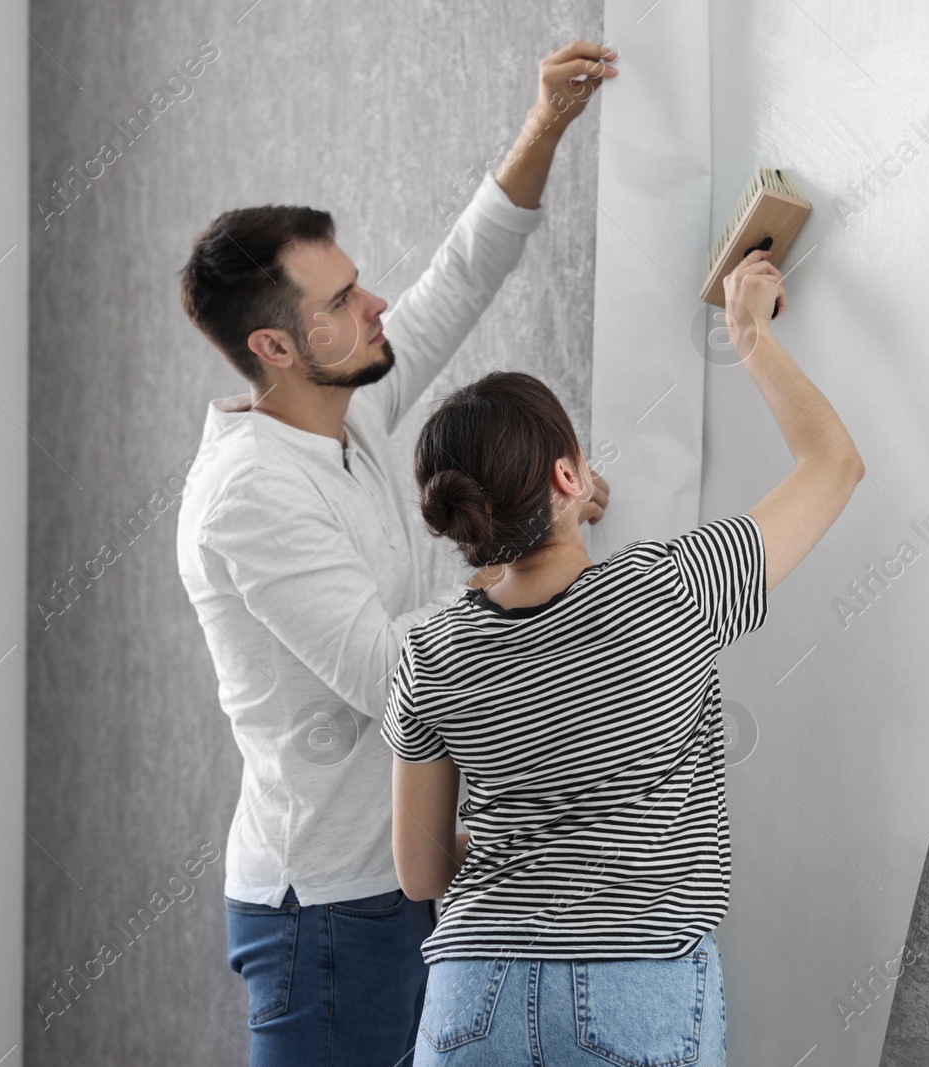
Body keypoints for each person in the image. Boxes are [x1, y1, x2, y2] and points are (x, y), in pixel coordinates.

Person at [173, 41, 616, 1067]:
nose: (373, 306)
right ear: (275, 349)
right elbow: (392, 674)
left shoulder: (344, 417)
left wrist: (545, 122)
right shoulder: (248, 496)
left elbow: (464, 270)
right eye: (339, 303)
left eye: (357, 282)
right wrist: (533, 551)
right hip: (325, 908)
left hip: (404, 870)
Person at [381, 250, 865, 1065]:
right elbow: (833, 465)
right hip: (631, 993)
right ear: (569, 475)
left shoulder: (428, 651)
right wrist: (750, 335)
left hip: (472, 998)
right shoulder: (672, 586)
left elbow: (421, 872)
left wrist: (530, 840)